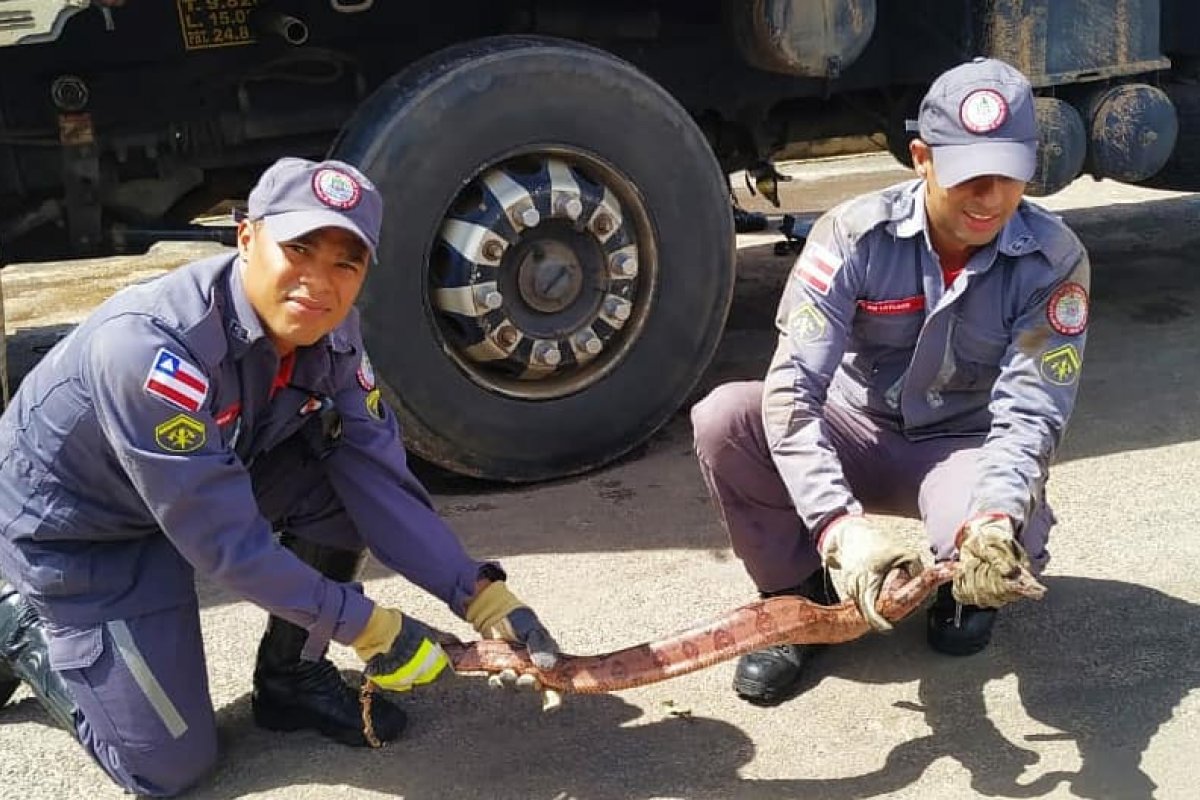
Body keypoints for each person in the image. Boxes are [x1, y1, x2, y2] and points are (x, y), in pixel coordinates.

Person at [0, 156, 560, 796]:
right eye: (298, 249)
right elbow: (227, 543)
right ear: (246, 237)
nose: (319, 283)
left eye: (346, 263)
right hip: (85, 530)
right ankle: (17, 621)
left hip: (201, 482)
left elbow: (376, 474)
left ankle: (291, 675)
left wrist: (477, 592)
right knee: (169, 765)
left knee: (343, 492)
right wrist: (368, 626)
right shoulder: (151, 350)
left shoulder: (331, 330)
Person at [691, 57, 1089, 706]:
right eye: (969, 175)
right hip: (857, 429)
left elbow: (1032, 410)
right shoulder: (853, 235)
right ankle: (797, 599)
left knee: (1001, 540)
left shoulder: (1053, 259)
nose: (990, 197)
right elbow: (794, 389)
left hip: (961, 446)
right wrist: (835, 528)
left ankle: (960, 586)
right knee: (727, 419)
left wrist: (993, 518)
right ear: (922, 159)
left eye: (1008, 175)